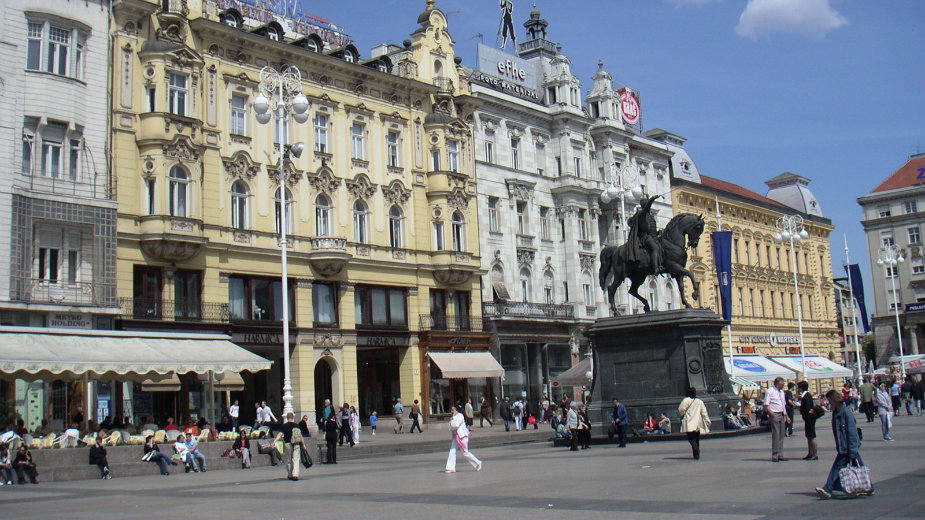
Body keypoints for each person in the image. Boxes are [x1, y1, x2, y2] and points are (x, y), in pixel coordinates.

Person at [815, 389, 872, 499]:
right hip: (844, 445)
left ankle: (828, 488)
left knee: (837, 467)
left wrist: (853, 449)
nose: (829, 403)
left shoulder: (846, 412)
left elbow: (852, 432)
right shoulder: (836, 411)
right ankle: (869, 487)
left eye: (829, 400)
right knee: (859, 467)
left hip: (847, 447)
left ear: (834, 400)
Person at [626, 193, 663, 272]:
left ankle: (661, 264)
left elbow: (651, 230)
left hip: (653, 237)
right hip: (645, 238)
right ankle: (655, 268)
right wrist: (652, 199)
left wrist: (658, 232)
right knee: (655, 247)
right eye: (648, 205)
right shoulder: (642, 215)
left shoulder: (651, 216)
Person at [444, 405, 481, 474]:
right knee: (452, 451)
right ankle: (451, 468)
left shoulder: (460, 416)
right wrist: (452, 423)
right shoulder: (453, 417)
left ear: (457, 410)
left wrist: (453, 422)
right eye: (451, 410)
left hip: (462, 437)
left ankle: (478, 462)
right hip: (456, 437)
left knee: (465, 452)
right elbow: (450, 427)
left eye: (453, 410)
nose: (452, 411)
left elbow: (456, 425)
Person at [679, 387, 711, 460]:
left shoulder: (686, 400)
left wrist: (683, 414)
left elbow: (681, 409)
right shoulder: (699, 401)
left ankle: (695, 450)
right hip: (697, 422)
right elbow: (704, 412)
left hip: (689, 421)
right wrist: (707, 420)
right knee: (696, 438)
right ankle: (696, 453)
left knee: (691, 438)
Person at [765, 376, 790, 462]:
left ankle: (780, 454)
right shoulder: (770, 391)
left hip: (782, 413)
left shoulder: (782, 392)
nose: (783, 386)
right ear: (777, 384)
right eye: (782, 384)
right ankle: (775, 454)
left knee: (782, 434)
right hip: (774, 413)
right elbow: (766, 405)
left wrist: (786, 415)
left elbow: (783, 404)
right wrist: (772, 414)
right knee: (776, 434)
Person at [798, 381, 820, 460]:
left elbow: (808, 407)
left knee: (811, 436)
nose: (798, 389)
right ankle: (810, 453)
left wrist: (801, 407)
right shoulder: (806, 395)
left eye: (798, 387)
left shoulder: (806, 396)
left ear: (801, 388)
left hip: (809, 418)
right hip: (808, 418)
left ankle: (815, 454)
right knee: (809, 436)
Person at [279, 413, 303, 480]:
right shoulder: (297, 425)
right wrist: (303, 445)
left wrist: (274, 442)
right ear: (293, 417)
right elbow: (300, 436)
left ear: (287, 418)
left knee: (289, 459)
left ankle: (290, 474)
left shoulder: (284, 426)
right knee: (296, 459)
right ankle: (295, 474)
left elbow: (280, 435)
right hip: (296, 444)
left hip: (288, 444)